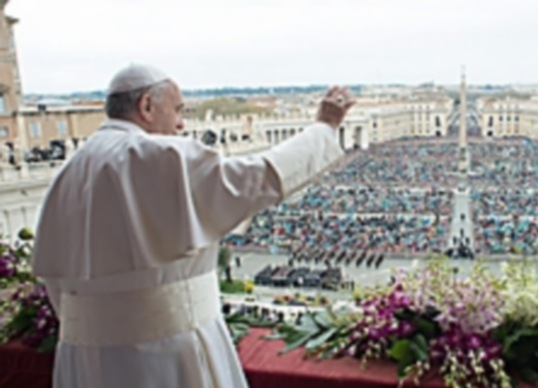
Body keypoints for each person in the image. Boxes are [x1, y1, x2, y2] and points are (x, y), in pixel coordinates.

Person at [31, 64, 356, 388]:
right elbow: (255, 180)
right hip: (164, 355)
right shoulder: (157, 155)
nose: (182, 123)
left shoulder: (70, 170)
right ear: (146, 106)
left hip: (84, 361)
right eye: (178, 110)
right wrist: (324, 128)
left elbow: (57, 285)